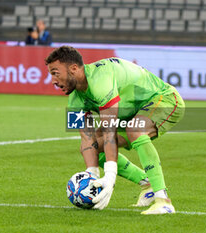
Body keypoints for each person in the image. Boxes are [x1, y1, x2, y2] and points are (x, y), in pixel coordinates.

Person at [45, 46, 185, 215]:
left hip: (165, 99)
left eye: (55, 73)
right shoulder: (75, 100)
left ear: (74, 69)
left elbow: (109, 131)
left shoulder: (100, 79)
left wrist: (110, 176)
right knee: (97, 147)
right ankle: (147, 184)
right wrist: (92, 174)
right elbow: (87, 140)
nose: (52, 80)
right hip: (131, 113)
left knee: (135, 130)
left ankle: (163, 201)